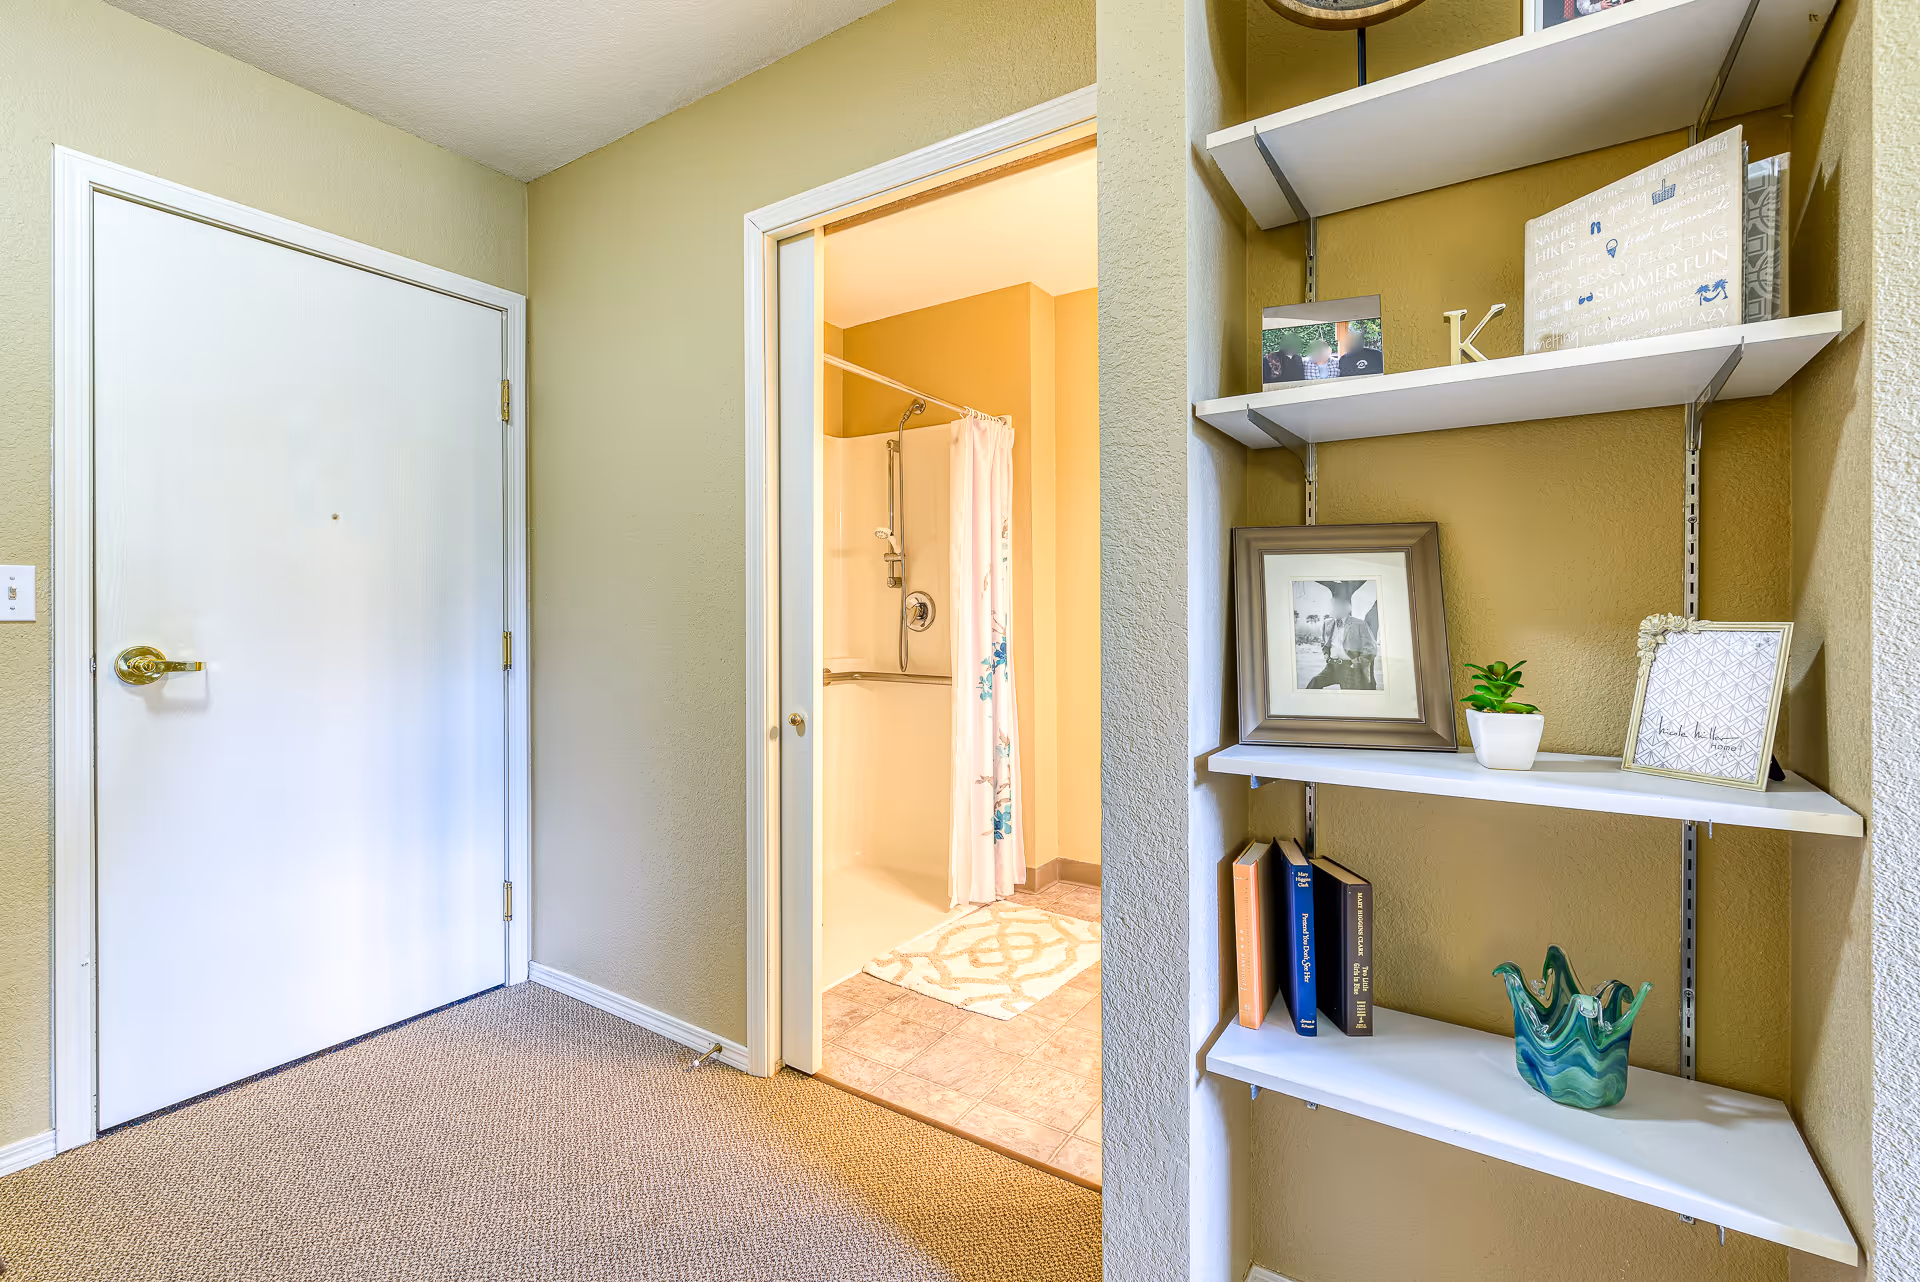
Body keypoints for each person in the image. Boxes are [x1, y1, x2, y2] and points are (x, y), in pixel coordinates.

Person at [1307, 581, 1378, 690]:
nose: (1334, 608)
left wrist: (1358, 662)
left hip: (1349, 667)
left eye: (1337, 606)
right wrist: (1326, 655)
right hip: (1331, 668)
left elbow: (1371, 649)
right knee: (1314, 683)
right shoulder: (1328, 623)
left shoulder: (1359, 624)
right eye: (1333, 605)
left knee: (1348, 695)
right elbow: (1324, 643)